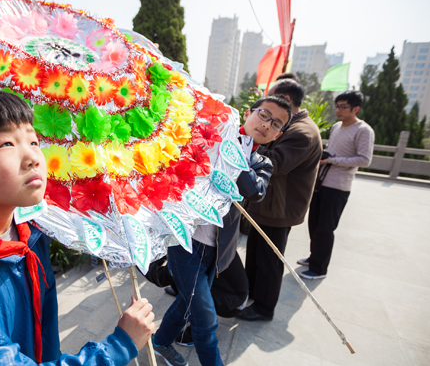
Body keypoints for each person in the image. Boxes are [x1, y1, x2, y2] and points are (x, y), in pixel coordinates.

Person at [0, 91, 155, 365]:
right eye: (7, 143)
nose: (33, 157)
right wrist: (120, 347)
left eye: (34, 141)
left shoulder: (30, 235)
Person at [152, 95, 290, 366]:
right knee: (205, 318)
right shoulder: (213, 135)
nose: (266, 125)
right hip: (185, 242)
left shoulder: (262, 162)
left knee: (186, 302)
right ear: (249, 112)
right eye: (264, 115)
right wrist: (220, 143)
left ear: (278, 134)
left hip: (216, 250)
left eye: (276, 124)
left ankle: (160, 342)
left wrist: (232, 154)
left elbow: (253, 190)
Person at [239, 79, 322, 322]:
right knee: (255, 253)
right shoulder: (293, 125)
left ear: (286, 99)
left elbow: (276, 163)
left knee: (269, 260)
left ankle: (264, 308)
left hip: (280, 207)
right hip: (268, 203)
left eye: (274, 97)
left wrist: (247, 147)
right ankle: (252, 294)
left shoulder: (301, 132)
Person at [297, 91, 374, 279]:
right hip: (321, 181)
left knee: (325, 227)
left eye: (343, 107)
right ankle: (314, 257)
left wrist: (333, 160)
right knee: (314, 223)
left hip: (339, 186)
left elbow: (365, 160)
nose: (338, 110)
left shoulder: (364, 130)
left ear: (356, 109)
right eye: (337, 106)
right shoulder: (336, 127)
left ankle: (319, 269)